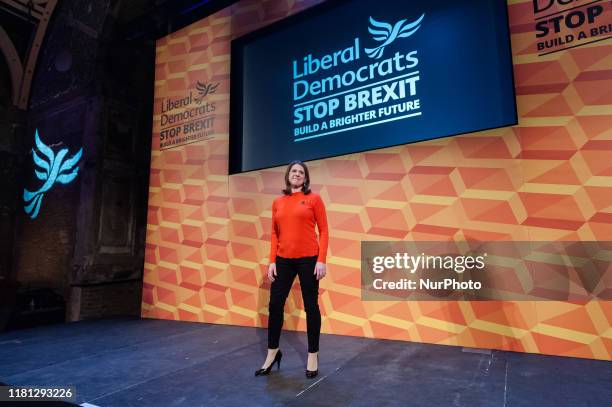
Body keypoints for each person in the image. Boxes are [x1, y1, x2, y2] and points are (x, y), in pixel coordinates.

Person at [255, 160, 329, 379]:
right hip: (283, 260)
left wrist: (321, 260)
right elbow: (274, 233)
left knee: (311, 307)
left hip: (308, 259)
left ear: (305, 178)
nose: (297, 174)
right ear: (288, 176)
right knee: (275, 305)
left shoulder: (314, 199)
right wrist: (271, 261)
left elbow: (324, 231)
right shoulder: (278, 202)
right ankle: (272, 353)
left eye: (301, 172)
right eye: (293, 171)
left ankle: (313, 355)